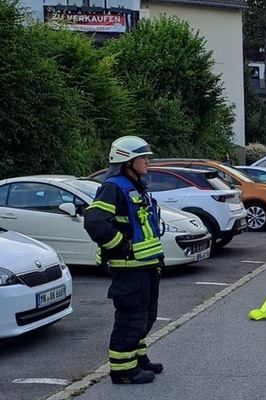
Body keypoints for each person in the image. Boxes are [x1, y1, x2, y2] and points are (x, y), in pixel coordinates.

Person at [83, 136, 164, 385]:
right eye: (142, 158)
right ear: (127, 162)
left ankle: (137, 358)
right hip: (129, 268)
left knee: (146, 315)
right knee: (131, 317)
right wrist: (121, 246)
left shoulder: (136, 185)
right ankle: (123, 371)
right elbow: (95, 222)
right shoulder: (114, 187)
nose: (147, 162)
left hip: (146, 265)